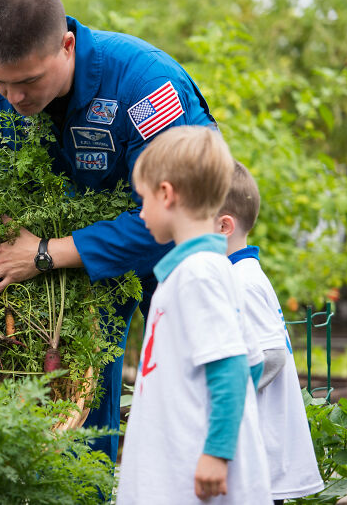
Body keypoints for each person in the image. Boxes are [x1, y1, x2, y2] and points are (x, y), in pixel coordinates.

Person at [0, 0, 217, 462]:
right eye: (1, 81)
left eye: (29, 81)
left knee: (193, 384)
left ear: (67, 45)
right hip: (68, 266)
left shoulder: (145, 84)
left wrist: (44, 254)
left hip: (166, 253)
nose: (13, 97)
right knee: (76, 406)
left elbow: (175, 212)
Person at [116, 126, 271, 504]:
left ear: (166, 194)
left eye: (143, 199)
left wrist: (217, 453)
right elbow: (254, 362)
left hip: (193, 476)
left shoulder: (198, 274)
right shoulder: (204, 270)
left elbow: (233, 367)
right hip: (180, 465)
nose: (141, 211)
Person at [214, 161, 324, 504]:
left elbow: (271, 354)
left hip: (261, 455)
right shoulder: (244, 274)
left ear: (222, 226)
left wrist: (226, 392)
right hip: (258, 456)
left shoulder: (242, 281)